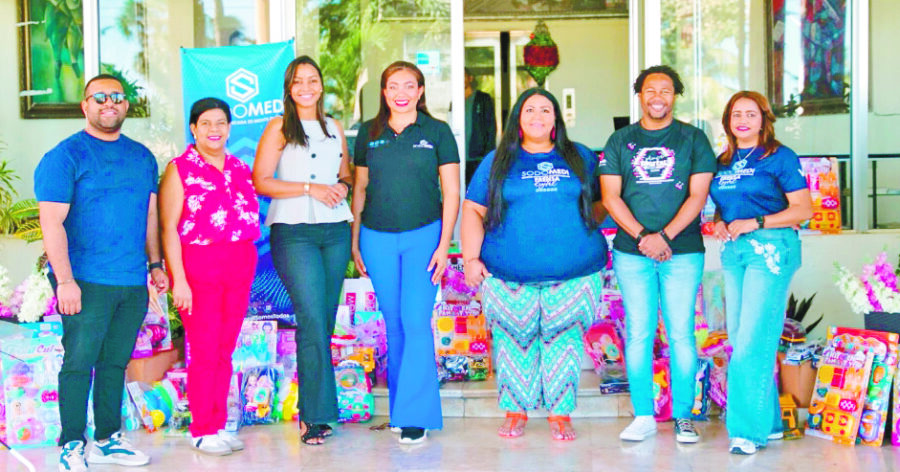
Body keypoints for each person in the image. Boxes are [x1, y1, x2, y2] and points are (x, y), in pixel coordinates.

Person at [35, 73, 167, 472]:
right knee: (79, 362)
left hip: (130, 282)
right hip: (85, 282)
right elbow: (51, 223)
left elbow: (149, 217)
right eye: (99, 97)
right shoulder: (65, 156)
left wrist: (156, 264)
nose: (109, 103)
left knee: (114, 363)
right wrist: (66, 281)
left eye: (117, 97)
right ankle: (72, 442)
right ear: (85, 105)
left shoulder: (142, 157)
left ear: (127, 105)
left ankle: (109, 438)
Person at [461, 88, 607, 441]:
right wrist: (469, 259)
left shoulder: (581, 157)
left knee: (565, 340)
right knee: (513, 342)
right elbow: (473, 210)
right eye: (530, 109)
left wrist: (574, 230)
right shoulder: (496, 161)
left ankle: (560, 413)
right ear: (518, 118)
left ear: (556, 118)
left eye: (546, 109)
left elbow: (604, 204)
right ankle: (516, 411)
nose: (538, 116)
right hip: (508, 275)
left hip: (576, 274)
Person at [599, 65, 716, 444]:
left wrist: (664, 236)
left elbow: (698, 196)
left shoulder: (693, 139)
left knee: (681, 334)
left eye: (666, 90)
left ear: (675, 95)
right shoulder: (621, 140)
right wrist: (643, 237)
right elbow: (610, 197)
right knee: (638, 334)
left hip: (682, 251)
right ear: (640, 94)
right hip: (632, 253)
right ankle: (644, 415)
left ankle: (683, 416)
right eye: (651, 90)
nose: (658, 97)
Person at [351, 61, 460, 445]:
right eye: (392, 85)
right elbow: (360, 189)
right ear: (383, 92)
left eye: (409, 85)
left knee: (415, 321)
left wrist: (445, 244)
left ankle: (416, 416)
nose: (401, 91)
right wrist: (355, 239)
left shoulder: (438, 132)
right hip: (376, 238)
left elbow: (451, 192)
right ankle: (402, 409)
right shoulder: (369, 133)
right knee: (394, 324)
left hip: (424, 236)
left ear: (420, 91)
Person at [253, 55, 353, 445]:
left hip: (334, 231)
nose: (306, 87)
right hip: (294, 232)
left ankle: (318, 406)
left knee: (323, 321)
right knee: (311, 317)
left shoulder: (334, 127)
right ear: (289, 89)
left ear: (322, 85)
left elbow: (345, 174)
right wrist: (310, 189)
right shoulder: (278, 127)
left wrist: (341, 187)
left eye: (313, 80)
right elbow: (261, 181)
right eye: (298, 81)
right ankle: (315, 415)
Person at [709, 91, 813, 455]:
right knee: (742, 338)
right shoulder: (723, 160)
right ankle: (768, 423)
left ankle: (745, 431)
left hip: (770, 250)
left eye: (751, 114)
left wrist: (756, 221)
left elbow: (803, 209)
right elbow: (725, 206)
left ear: (764, 119)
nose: (743, 120)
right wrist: (720, 221)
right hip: (734, 252)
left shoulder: (780, 157)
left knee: (752, 339)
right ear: (727, 121)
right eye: (736, 114)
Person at [159, 98, 260, 456]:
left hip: (239, 262)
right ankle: (202, 428)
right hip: (199, 264)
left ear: (230, 128)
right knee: (203, 349)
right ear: (194, 128)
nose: (214, 130)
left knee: (224, 349)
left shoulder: (239, 167)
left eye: (221, 123)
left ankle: (218, 422)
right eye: (206, 123)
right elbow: (168, 228)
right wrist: (179, 280)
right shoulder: (180, 168)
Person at [464, 68, 497, 185]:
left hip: (477, 157)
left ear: (470, 78)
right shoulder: (455, 102)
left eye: (463, 75)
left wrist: (488, 155)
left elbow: (491, 128)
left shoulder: (482, 99)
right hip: (460, 157)